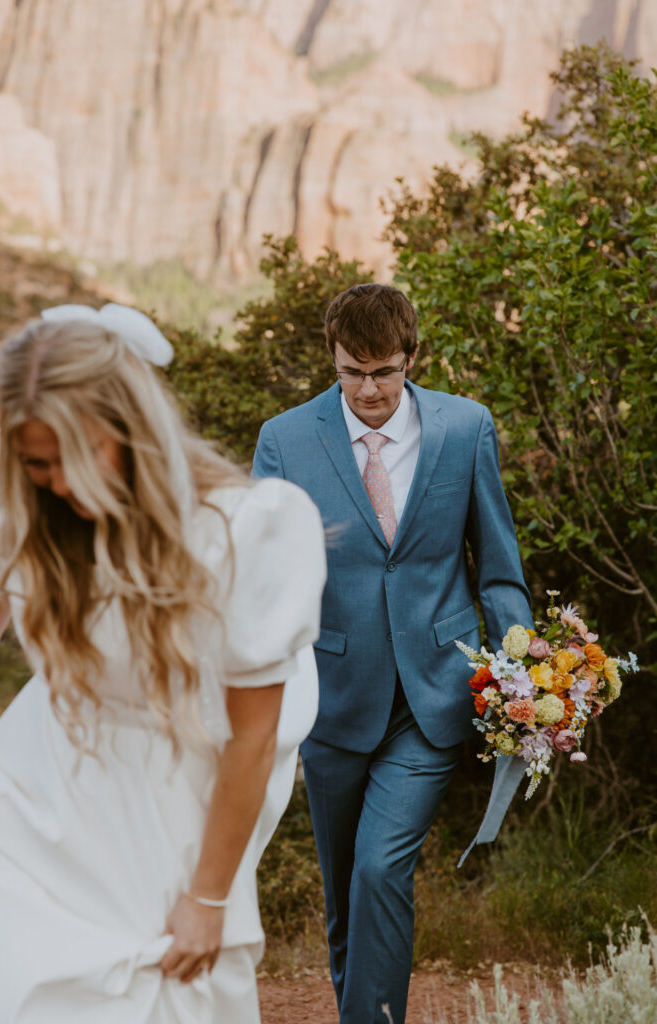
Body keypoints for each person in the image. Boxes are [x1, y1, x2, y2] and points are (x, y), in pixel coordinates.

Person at [0, 303, 326, 1024]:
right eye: (37, 464)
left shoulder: (243, 530)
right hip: (41, 766)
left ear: (128, 430)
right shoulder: (7, 487)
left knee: (149, 993)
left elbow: (252, 735)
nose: (57, 484)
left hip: (176, 791)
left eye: (73, 459)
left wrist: (208, 898)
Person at [253, 283, 533, 1024]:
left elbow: (497, 567)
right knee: (344, 893)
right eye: (353, 371)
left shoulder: (462, 427)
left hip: (434, 696)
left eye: (385, 370)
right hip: (331, 699)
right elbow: (261, 581)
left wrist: (521, 676)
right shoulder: (283, 440)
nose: (369, 389)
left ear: (412, 356)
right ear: (333, 360)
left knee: (380, 871)